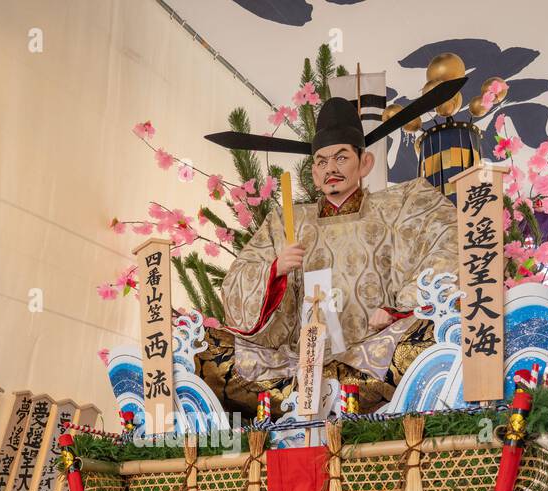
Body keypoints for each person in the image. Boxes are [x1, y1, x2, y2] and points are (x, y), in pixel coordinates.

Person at [198, 87, 464, 413]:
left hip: (377, 354)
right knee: (207, 353)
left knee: (431, 335)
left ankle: (339, 394)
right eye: (321, 161)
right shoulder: (285, 223)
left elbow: (451, 244)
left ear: (364, 163)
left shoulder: (403, 204)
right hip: (297, 367)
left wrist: (399, 309)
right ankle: (315, 397)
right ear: (313, 172)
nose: (330, 169)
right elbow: (236, 284)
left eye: (341, 157)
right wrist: (273, 272)